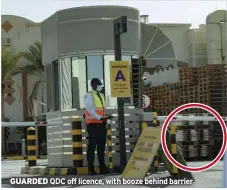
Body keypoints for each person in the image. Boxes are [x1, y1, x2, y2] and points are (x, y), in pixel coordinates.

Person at [83, 78, 113, 175]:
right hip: (93, 124)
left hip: (101, 124)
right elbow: (90, 109)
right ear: (95, 85)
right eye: (99, 84)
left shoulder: (101, 95)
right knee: (92, 146)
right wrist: (100, 117)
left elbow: (101, 109)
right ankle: (91, 169)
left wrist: (105, 117)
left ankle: (102, 168)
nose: (101, 86)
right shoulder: (89, 95)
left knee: (101, 146)